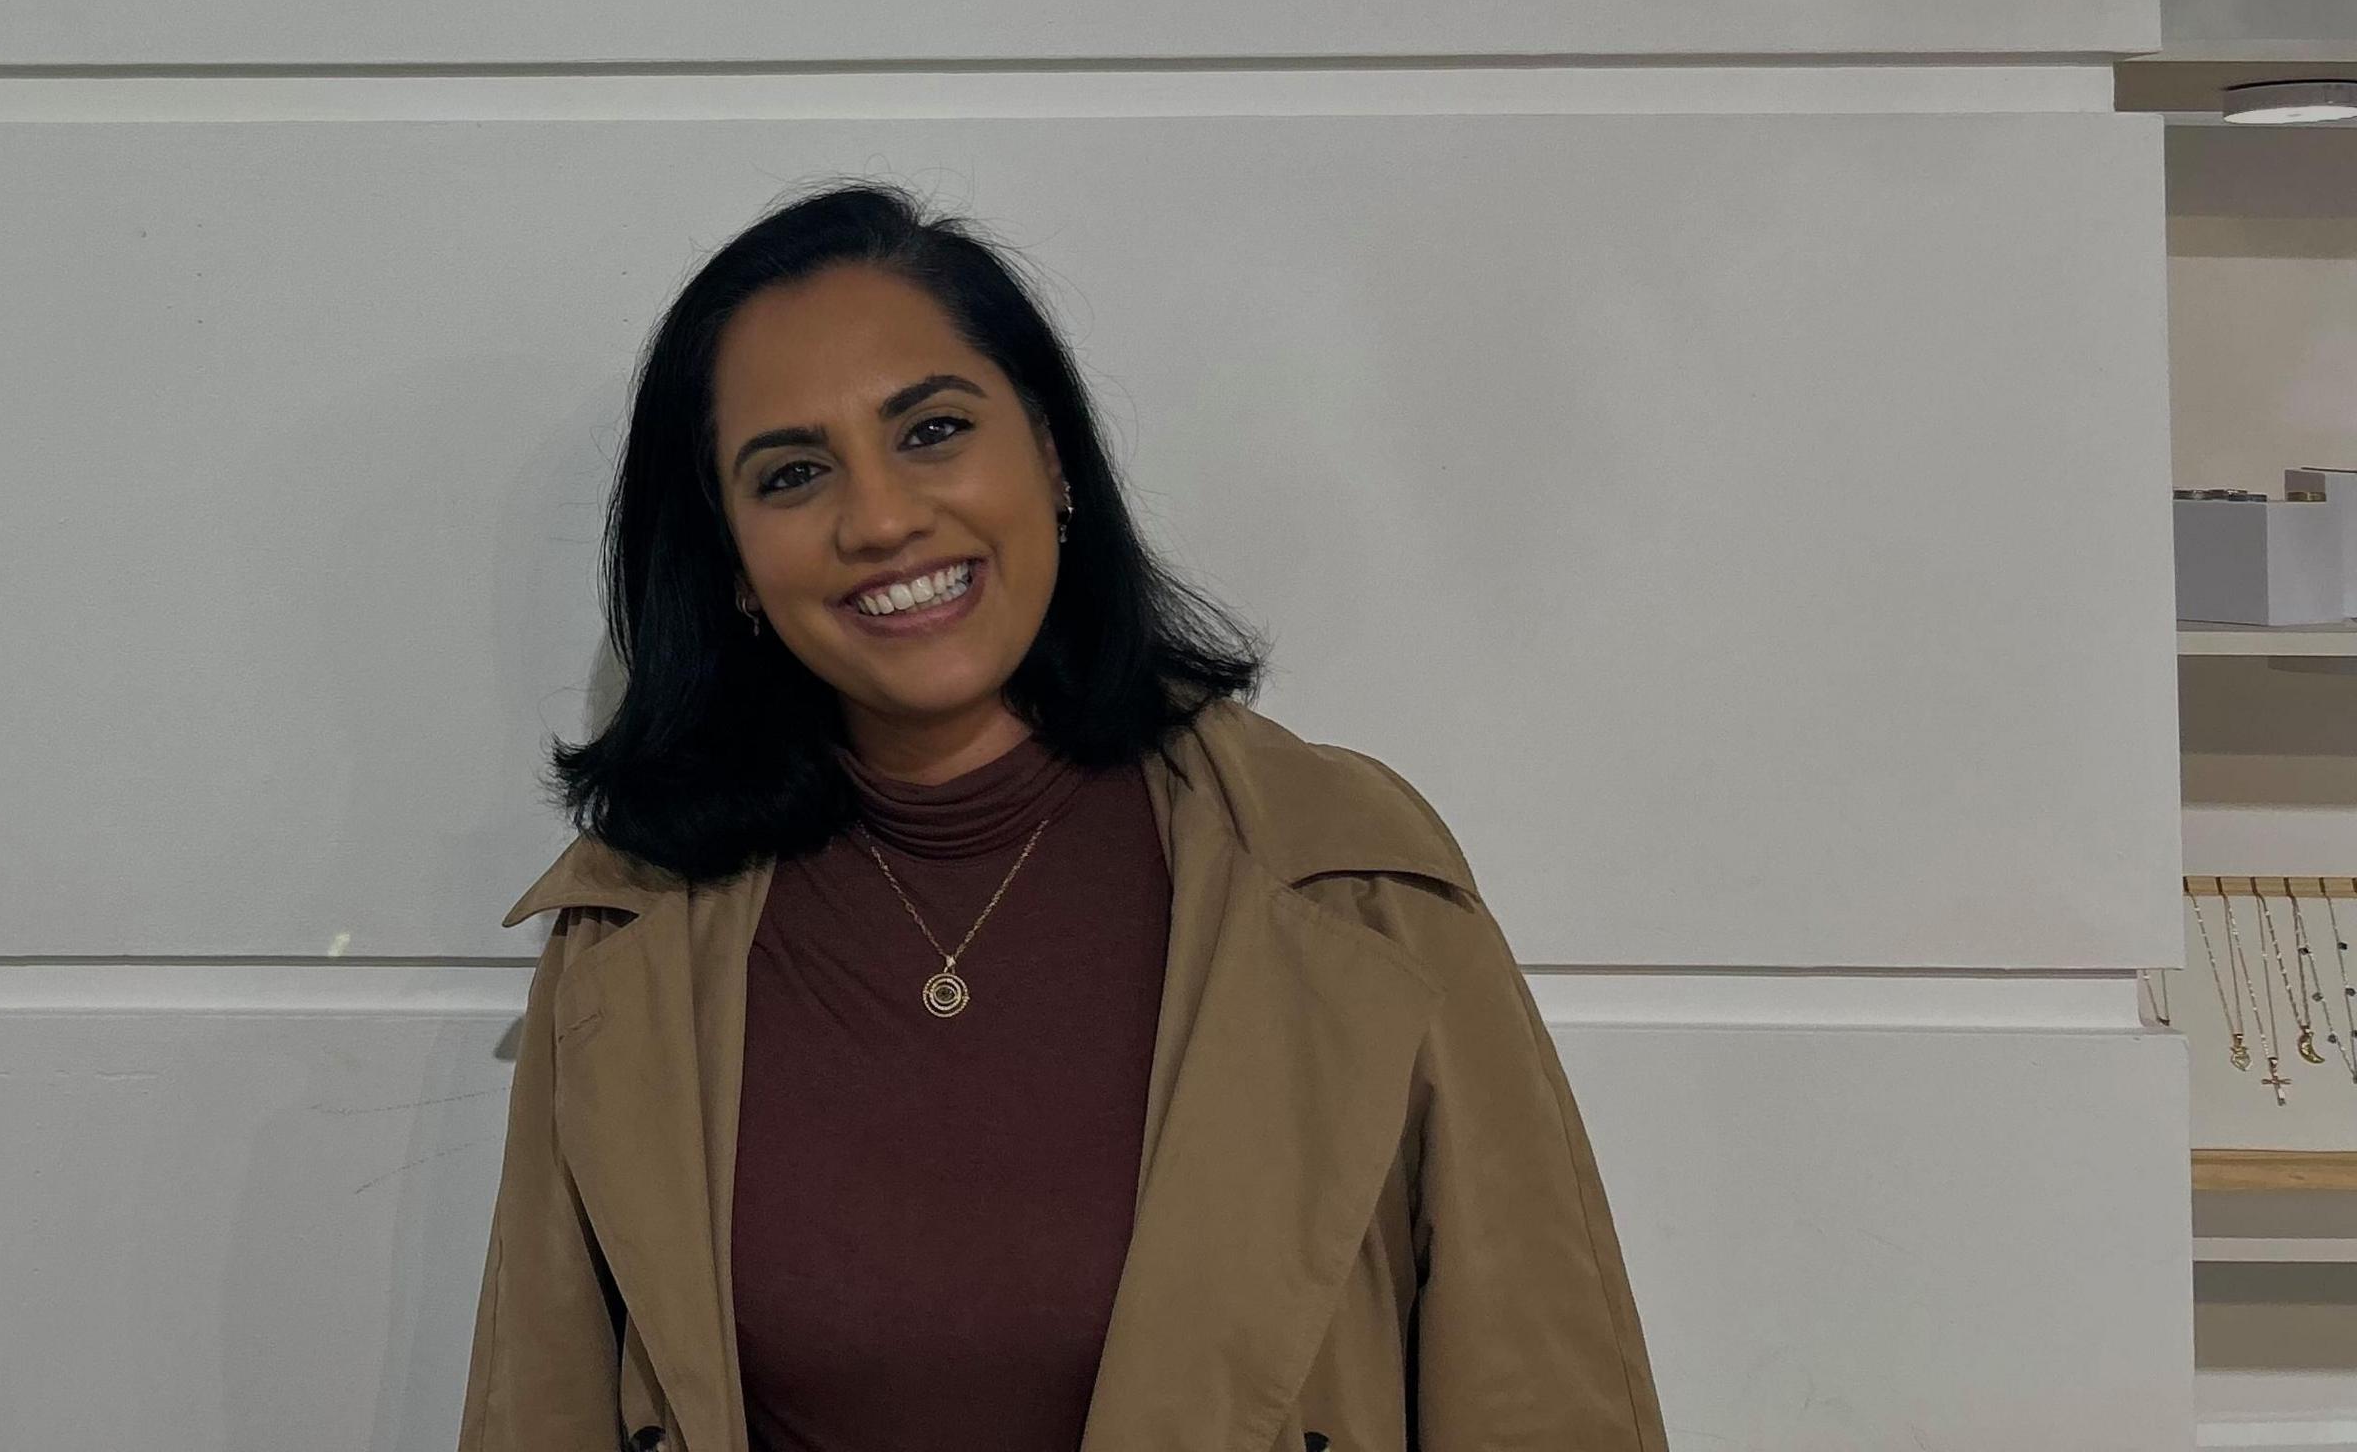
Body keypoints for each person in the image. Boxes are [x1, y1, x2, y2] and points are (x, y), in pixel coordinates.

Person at [455, 181, 1667, 1452]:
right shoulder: (633, 926)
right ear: (734, 563)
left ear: (1048, 454)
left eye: (930, 431)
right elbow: (537, 1408)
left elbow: (1546, 1399)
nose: (878, 518)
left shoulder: (1347, 879)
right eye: (794, 472)